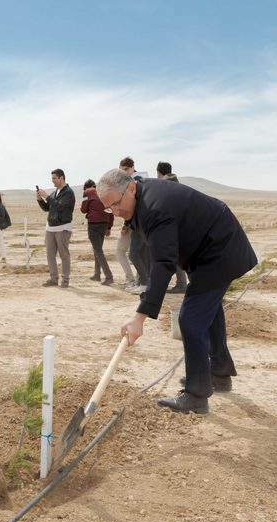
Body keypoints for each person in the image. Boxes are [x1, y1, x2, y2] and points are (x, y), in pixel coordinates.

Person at [97, 168, 257, 415]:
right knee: (208, 311)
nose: (116, 213)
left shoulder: (155, 206)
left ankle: (196, 396)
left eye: (116, 204)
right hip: (207, 249)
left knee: (190, 320)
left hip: (219, 250)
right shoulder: (141, 198)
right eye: (110, 209)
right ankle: (219, 372)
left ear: (130, 188)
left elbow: (162, 263)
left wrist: (140, 316)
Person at [36, 168, 75, 287]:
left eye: (54, 178)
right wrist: (40, 200)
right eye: (52, 178)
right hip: (50, 229)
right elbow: (48, 208)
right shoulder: (54, 193)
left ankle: (65, 280)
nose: (52, 181)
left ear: (61, 178)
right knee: (50, 254)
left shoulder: (68, 192)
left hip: (63, 228)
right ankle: (53, 279)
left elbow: (60, 207)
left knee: (64, 255)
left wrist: (47, 197)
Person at [156, 161, 188, 294]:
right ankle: (181, 283)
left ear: (159, 172)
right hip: (181, 223)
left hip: (172, 225)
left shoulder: (165, 185)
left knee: (174, 256)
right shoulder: (177, 183)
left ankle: (181, 284)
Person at [119, 157, 149, 294]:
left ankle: (144, 283)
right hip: (138, 222)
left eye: (126, 169)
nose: (124, 172)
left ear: (132, 168)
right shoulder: (134, 180)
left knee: (134, 254)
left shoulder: (137, 181)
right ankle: (141, 282)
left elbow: (132, 205)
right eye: (122, 170)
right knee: (141, 254)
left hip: (140, 222)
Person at [80, 179, 114, 285]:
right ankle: (97, 274)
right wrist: (109, 227)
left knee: (98, 251)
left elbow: (83, 209)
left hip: (94, 224)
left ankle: (109, 276)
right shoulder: (105, 191)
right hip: (104, 223)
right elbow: (110, 211)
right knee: (98, 249)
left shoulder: (87, 192)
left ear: (86, 187)